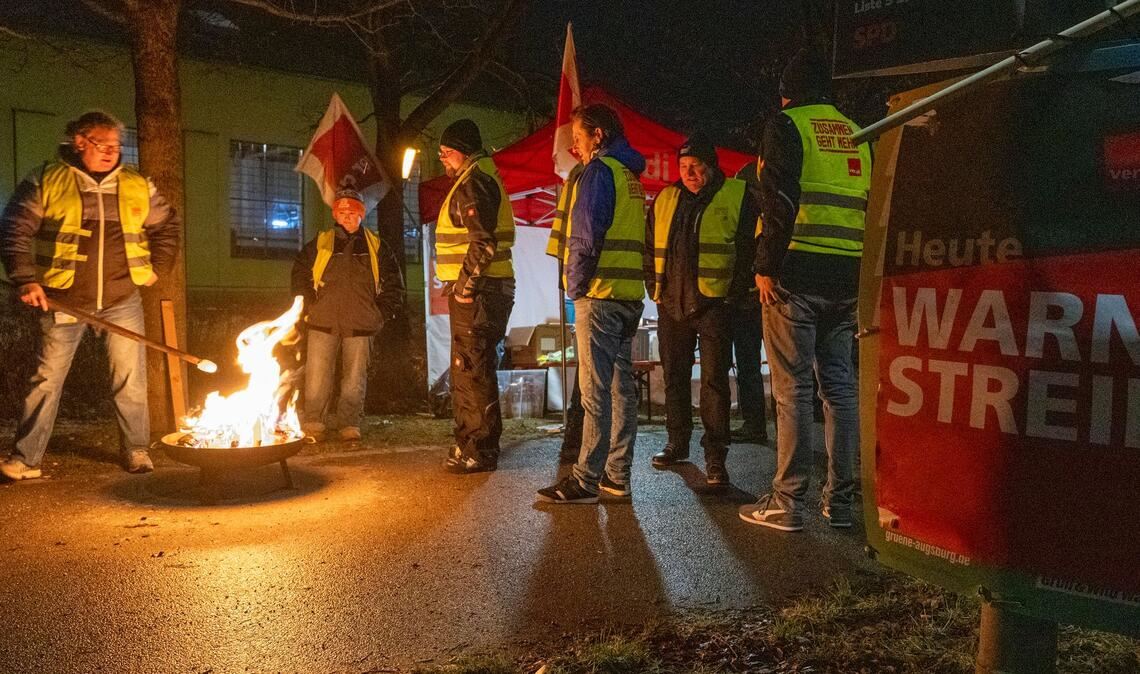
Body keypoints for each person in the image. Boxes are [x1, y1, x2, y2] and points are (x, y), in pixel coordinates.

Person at [0, 110, 181, 480]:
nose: (112, 151)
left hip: (121, 300)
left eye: (116, 145)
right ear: (79, 142)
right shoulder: (47, 179)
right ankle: (26, 459)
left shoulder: (135, 184)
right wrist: (24, 279)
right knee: (47, 379)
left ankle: (136, 449)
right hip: (63, 300)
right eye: (103, 144)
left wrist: (158, 269)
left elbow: (167, 225)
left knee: (130, 379)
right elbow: (15, 228)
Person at [738, 48, 872, 532]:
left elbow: (778, 200)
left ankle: (787, 503)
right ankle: (842, 502)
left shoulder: (788, 125)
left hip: (795, 276)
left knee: (791, 390)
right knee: (840, 389)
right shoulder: (858, 132)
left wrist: (765, 266)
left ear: (787, 92)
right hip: (848, 278)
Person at [537, 104, 647, 504]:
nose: (575, 147)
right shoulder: (630, 175)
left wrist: (576, 287)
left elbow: (585, 236)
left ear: (598, 135)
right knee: (621, 390)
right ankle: (617, 476)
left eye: (579, 138)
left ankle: (585, 480)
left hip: (599, 296)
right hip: (628, 296)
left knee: (594, 391)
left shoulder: (599, 172)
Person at [644, 132, 759, 486]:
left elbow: (749, 249)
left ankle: (715, 458)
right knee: (674, 377)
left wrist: (734, 295)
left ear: (712, 165)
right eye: (683, 166)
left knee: (714, 382)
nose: (689, 173)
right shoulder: (666, 198)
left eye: (696, 166)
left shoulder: (738, 196)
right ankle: (677, 443)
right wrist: (654, 289)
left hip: (715, 305)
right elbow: (649, 247)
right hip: (671, 304)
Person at [434, 119, 516, 474]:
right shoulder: (477, 178)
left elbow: (483, 242)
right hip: (485, 289)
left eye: (446, 152)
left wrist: (464, 288)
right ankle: (469, 442)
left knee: (472, 370)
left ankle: (479, 449)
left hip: (481, 291)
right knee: (468, 368)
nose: (442, 159)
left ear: (463, 151)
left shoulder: (474, 182)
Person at [292, 188, 404, 442]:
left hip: (362, 323)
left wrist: (380, 314)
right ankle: (314, 421)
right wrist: (308, 306)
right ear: (335, 215)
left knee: (354, 379)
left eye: (352, 212)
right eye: (342, 212)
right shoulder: (321, 243)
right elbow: (300, 274)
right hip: (322, 320)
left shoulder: (376, 246)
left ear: (362, 214)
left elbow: (394, 284)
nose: (347, 217)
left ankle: (349, 423)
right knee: (316, 376)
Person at [545, 160, 586, 465]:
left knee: (590, 377)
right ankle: (580, 445)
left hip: (589, 288)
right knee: (593, 378)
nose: (574, 146)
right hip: (590, 288)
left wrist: (573, 280)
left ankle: (577, 445)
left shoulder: (586, 175)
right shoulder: (581, 175)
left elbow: (580, 235)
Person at [729, 161, 770, 444]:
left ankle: (755, 424)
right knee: (755, 363)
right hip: (760, 294)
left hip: (748, 296)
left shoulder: (744, 215)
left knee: (748, 362)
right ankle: (758, 423)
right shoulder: (774, 210)